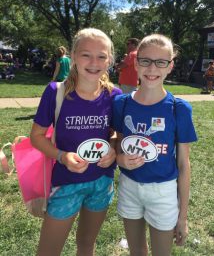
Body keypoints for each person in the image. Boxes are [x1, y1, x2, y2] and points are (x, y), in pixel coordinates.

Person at [30, 28, 122, 256]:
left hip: (101, 182)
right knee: (48, 251)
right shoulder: (56, 92)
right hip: (66, 183)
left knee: (86, 245)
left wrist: (112, 148)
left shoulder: (114, 95)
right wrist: (62, 156)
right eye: (86, 54)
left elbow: (116, 135)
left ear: (109, 59)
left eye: (101, 56)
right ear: (73, 56)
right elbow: (36, 136)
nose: (94, 62)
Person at [112, 34, 197, 256]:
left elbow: (184, 165)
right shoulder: (122, 103)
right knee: (136, 251)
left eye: (161, 62)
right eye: (146, 60)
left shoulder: (179, 108)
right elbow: (117, 143)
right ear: (136, 62)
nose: (152, 68)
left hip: (163, 192)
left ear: (170, 66)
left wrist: (183, 217)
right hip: (129, 186)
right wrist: (120, 158)